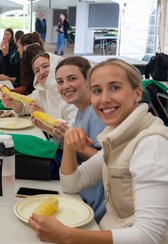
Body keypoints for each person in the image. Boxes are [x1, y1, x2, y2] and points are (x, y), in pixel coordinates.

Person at [29, 58, 168, 244]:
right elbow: (71, 185)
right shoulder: (117, 137)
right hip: (105, 228)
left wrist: (66, 235)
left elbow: (149, 236)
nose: (104, 99)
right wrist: (69, 146)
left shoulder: (151, 144)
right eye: (97, 90)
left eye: (115, 87)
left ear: (137, 93)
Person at [54, 56, 106, 223]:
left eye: (72, 79)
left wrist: (71, 141)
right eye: (60, 81)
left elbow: (108, 161)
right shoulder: (80, 111)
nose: (65, 86)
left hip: (95, 208)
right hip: (78, 192)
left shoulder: (98, 113)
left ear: (88, 81)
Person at [2, 52, 77, 135]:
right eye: (37, 70)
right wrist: (12, 103)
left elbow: (71, 133)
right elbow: (24, 107)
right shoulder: (40, 91)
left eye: (45, 66)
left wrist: (43, 117)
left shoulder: (70, 93)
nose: (41, 72)